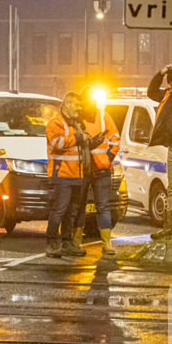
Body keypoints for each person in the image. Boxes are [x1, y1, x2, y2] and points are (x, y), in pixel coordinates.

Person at [44, 92, 89, 258]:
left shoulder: (73, 124)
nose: (80, 108)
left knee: (71, 211)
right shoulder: (55, 122)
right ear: (67, 105)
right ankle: (52, 243)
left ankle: (66, 243)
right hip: (62, 174)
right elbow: (57, 144)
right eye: (77, 105)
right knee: (59, 210)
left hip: (75, 175)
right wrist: (78, 137)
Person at [80, 86, 121, 256]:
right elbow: (115, 141)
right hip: (89, 169)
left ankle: (103, 244)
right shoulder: (99, 117)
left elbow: (115, 140)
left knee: (88, 207)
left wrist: (107, 159)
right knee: (98, 207)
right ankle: (106, 244)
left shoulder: (101, 117)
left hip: (94, 169)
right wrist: (107, 159)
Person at [148, 64, 172, 233]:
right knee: (171, 186)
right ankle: (171, 225)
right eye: (171, 83)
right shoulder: (166, 96)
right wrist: (161, 73)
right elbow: (151, 91)